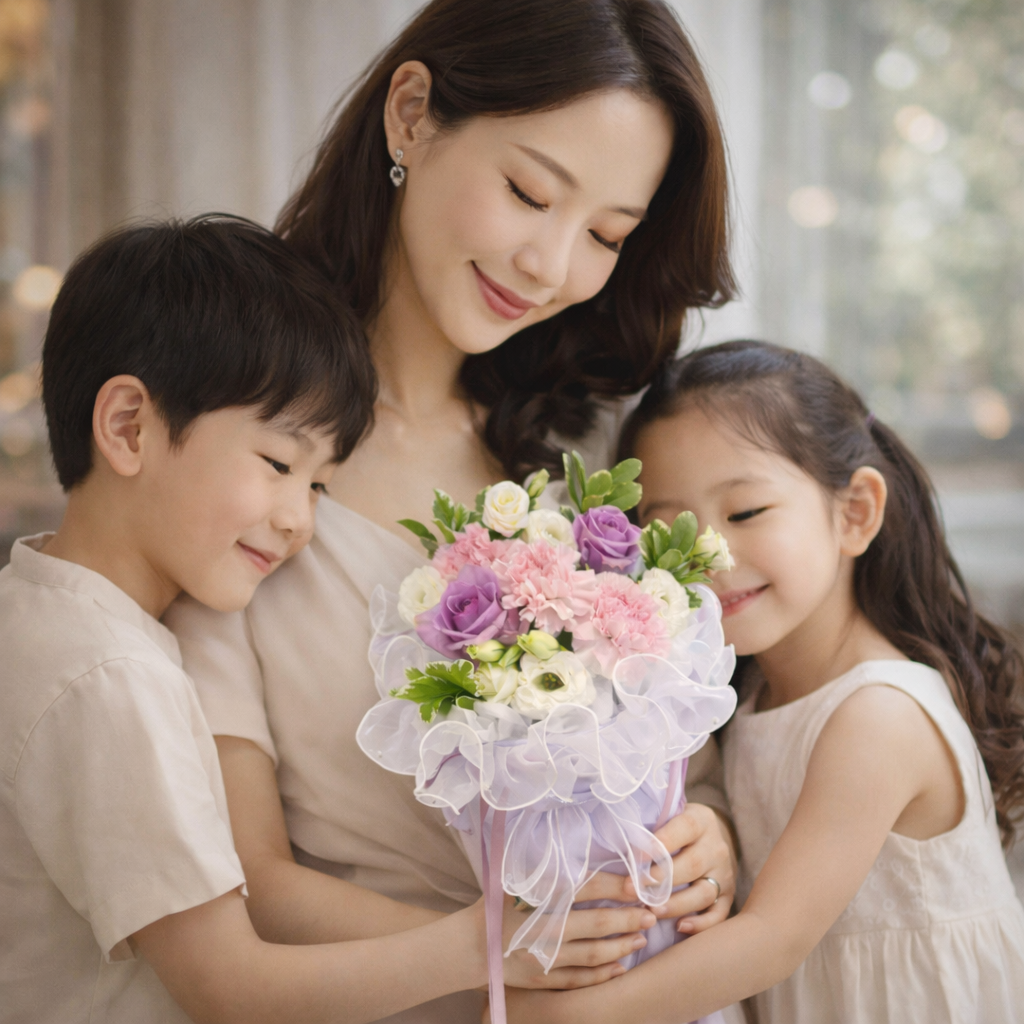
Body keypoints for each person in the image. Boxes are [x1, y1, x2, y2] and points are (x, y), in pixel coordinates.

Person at [166, 3, 741, 1021]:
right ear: (412, 115)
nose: (550, 266)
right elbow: (248, 879)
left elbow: (683, 752)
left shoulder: (590, 453)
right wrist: (494, 949)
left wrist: (708, 825)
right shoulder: (242, 459)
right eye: (528, 191)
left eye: (607, 234)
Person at [0, 216, 654, 1024]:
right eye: (278, 465)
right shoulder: (108, 677)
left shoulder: (43, 614)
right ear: (129, 426)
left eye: (317, 487)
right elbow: (229, 985)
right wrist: (487, 947)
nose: (298, 521)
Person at [501, 339, 1024, 1023]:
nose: (711, 552)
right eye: (671, 533)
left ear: (856, 512)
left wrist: (563, 1016)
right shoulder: (744, 701)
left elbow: (771, 940)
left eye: (745, 513)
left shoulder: (879, 714)